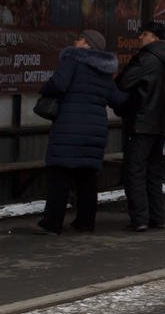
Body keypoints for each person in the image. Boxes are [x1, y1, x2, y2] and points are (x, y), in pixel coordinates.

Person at [36, 30, 127, 235]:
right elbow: (118, 100)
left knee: (60, 176)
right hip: (95, 131)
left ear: (87, 44)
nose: (74, 42)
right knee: (86, 178)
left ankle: (51, 224)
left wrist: (45, 90)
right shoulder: (105, 71)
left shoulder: (73, 59)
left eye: (78, 39)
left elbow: (58, 84)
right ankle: (85, 223)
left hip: (70, 126)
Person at [115, 21, 165, 232]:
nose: (140, 38)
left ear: (155, 38)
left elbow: (122, 83)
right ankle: (157, 216)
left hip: (140, 123)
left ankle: (139, 218)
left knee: (134, 172)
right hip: (161, 126)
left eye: (144, 34)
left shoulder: (144, 58)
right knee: (154, 174)